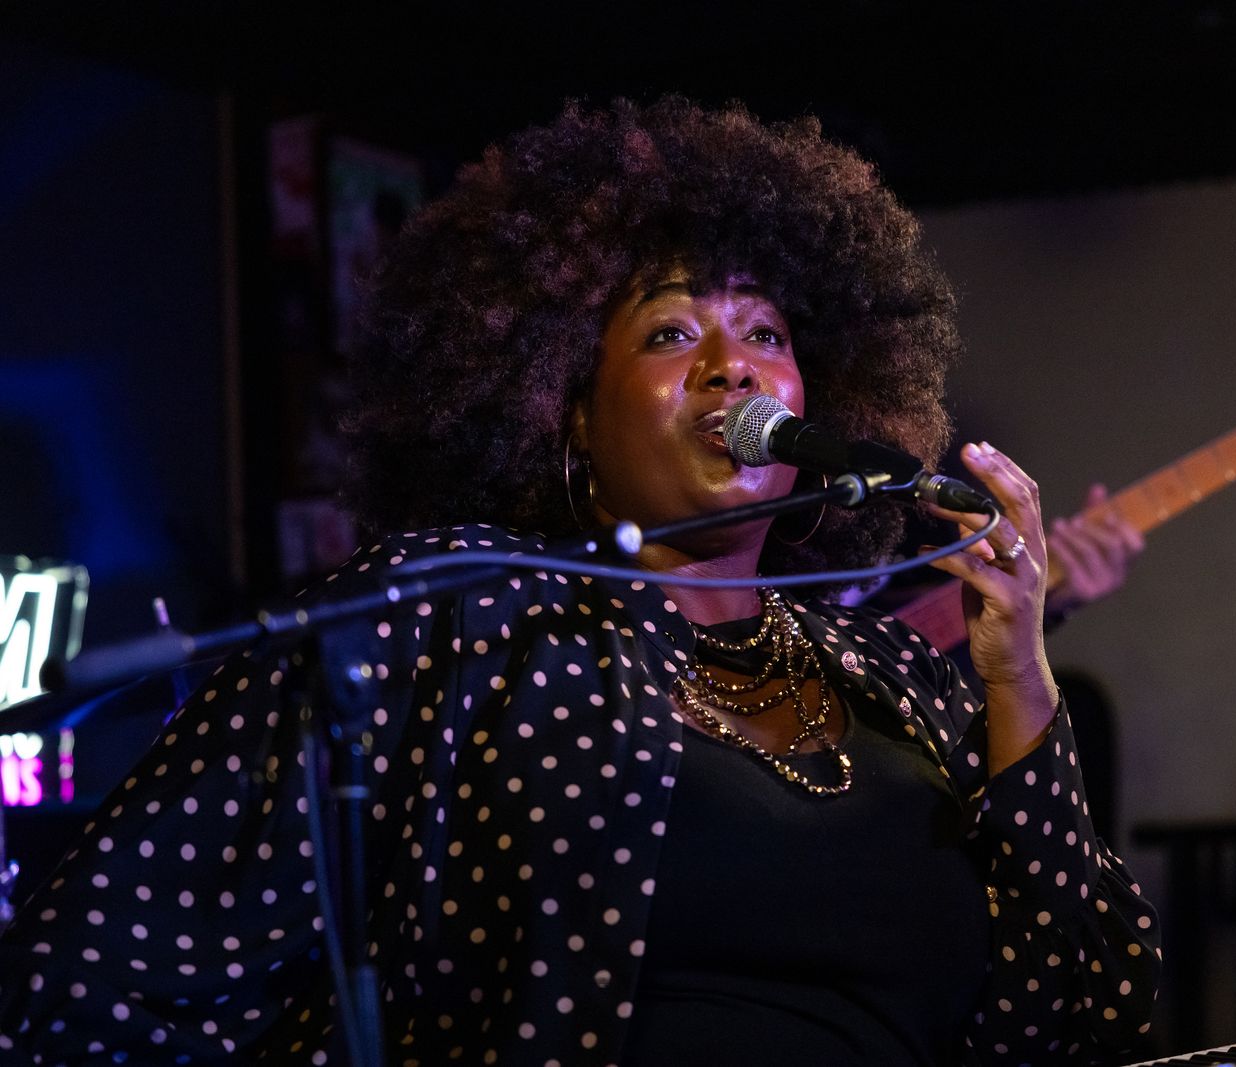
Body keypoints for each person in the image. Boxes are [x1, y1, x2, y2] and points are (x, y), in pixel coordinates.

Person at [0, 97, 1159, 1065]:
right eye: (669, 334)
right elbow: (89, 969)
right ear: (565, 415)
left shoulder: (894, 674)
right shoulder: (459, 612)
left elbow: (1084, 1013)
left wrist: (1018, 674)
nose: (733, 365)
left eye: (765, 331)